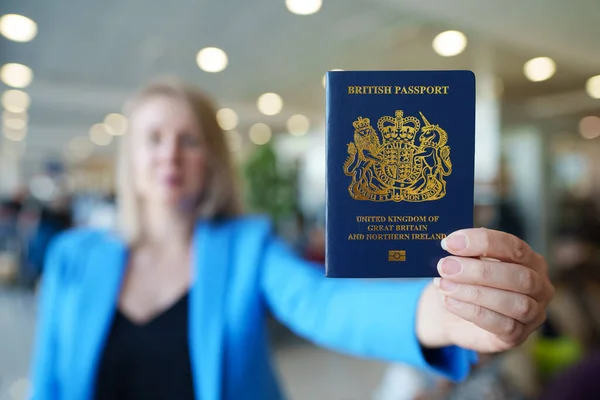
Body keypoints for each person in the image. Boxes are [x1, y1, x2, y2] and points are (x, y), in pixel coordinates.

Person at [29, 77, 554, 400]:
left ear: (210, 159)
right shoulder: (73, 258)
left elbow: (325, 304)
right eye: (154, 138)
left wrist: (444, 312)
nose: (170, 154)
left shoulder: (245, 247)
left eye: (189, 139)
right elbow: (50, 381)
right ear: (130, 157)